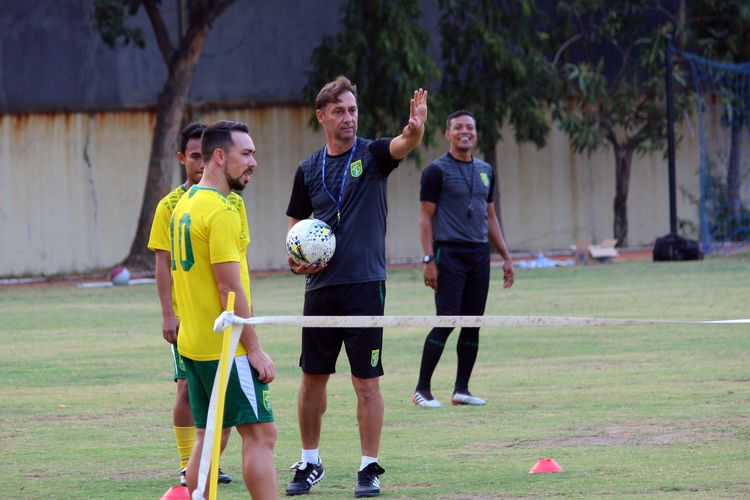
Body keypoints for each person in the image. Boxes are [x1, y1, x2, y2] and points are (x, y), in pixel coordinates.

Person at [284, 75, 428, 498]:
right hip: (321, 289)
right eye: (339, 111)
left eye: (352, 110)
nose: (348, 118)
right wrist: (296, 259)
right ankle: (310, 461)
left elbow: (404, 144)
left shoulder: (374, 154)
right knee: (313, 378)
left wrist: (414, 130)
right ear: (322, 117)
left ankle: (368, 467)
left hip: (365, 285)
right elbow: (297, 227)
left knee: (366, 381)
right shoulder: (308, 168)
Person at [170, 120, 277, 499]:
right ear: (220, 156)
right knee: (261, 434)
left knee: (208, 436)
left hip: (194, 344)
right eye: (246, 154)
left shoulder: (184, 204)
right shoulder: (221, 211)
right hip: (225, 349)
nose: (254, 162)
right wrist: (255, 349)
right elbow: (229, 286)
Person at [146, 122, 233, 486]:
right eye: (193, 156)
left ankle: (206, 461)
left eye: (204, 155)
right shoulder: (170, 205)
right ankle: (189, 465)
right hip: (187, 319)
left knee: (220, 393)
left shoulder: (228, 202)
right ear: (182, 158)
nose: (200, 163)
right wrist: (169, 313)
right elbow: (162, 265)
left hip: (221, 319)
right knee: (186, 387)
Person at [412, 110, 515, 408]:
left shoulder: (485, 170)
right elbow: (425, 218)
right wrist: (429, 259)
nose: (464, 132)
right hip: (448, 253)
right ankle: (422, 389)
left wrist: (505, 257)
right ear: (448, 134)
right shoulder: (436, 171)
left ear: (476, 133)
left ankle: (461, 389)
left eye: (469, 127)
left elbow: (490, 216)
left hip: (479, 254)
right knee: (446, 321)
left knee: (472, 322)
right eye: (458, 127)